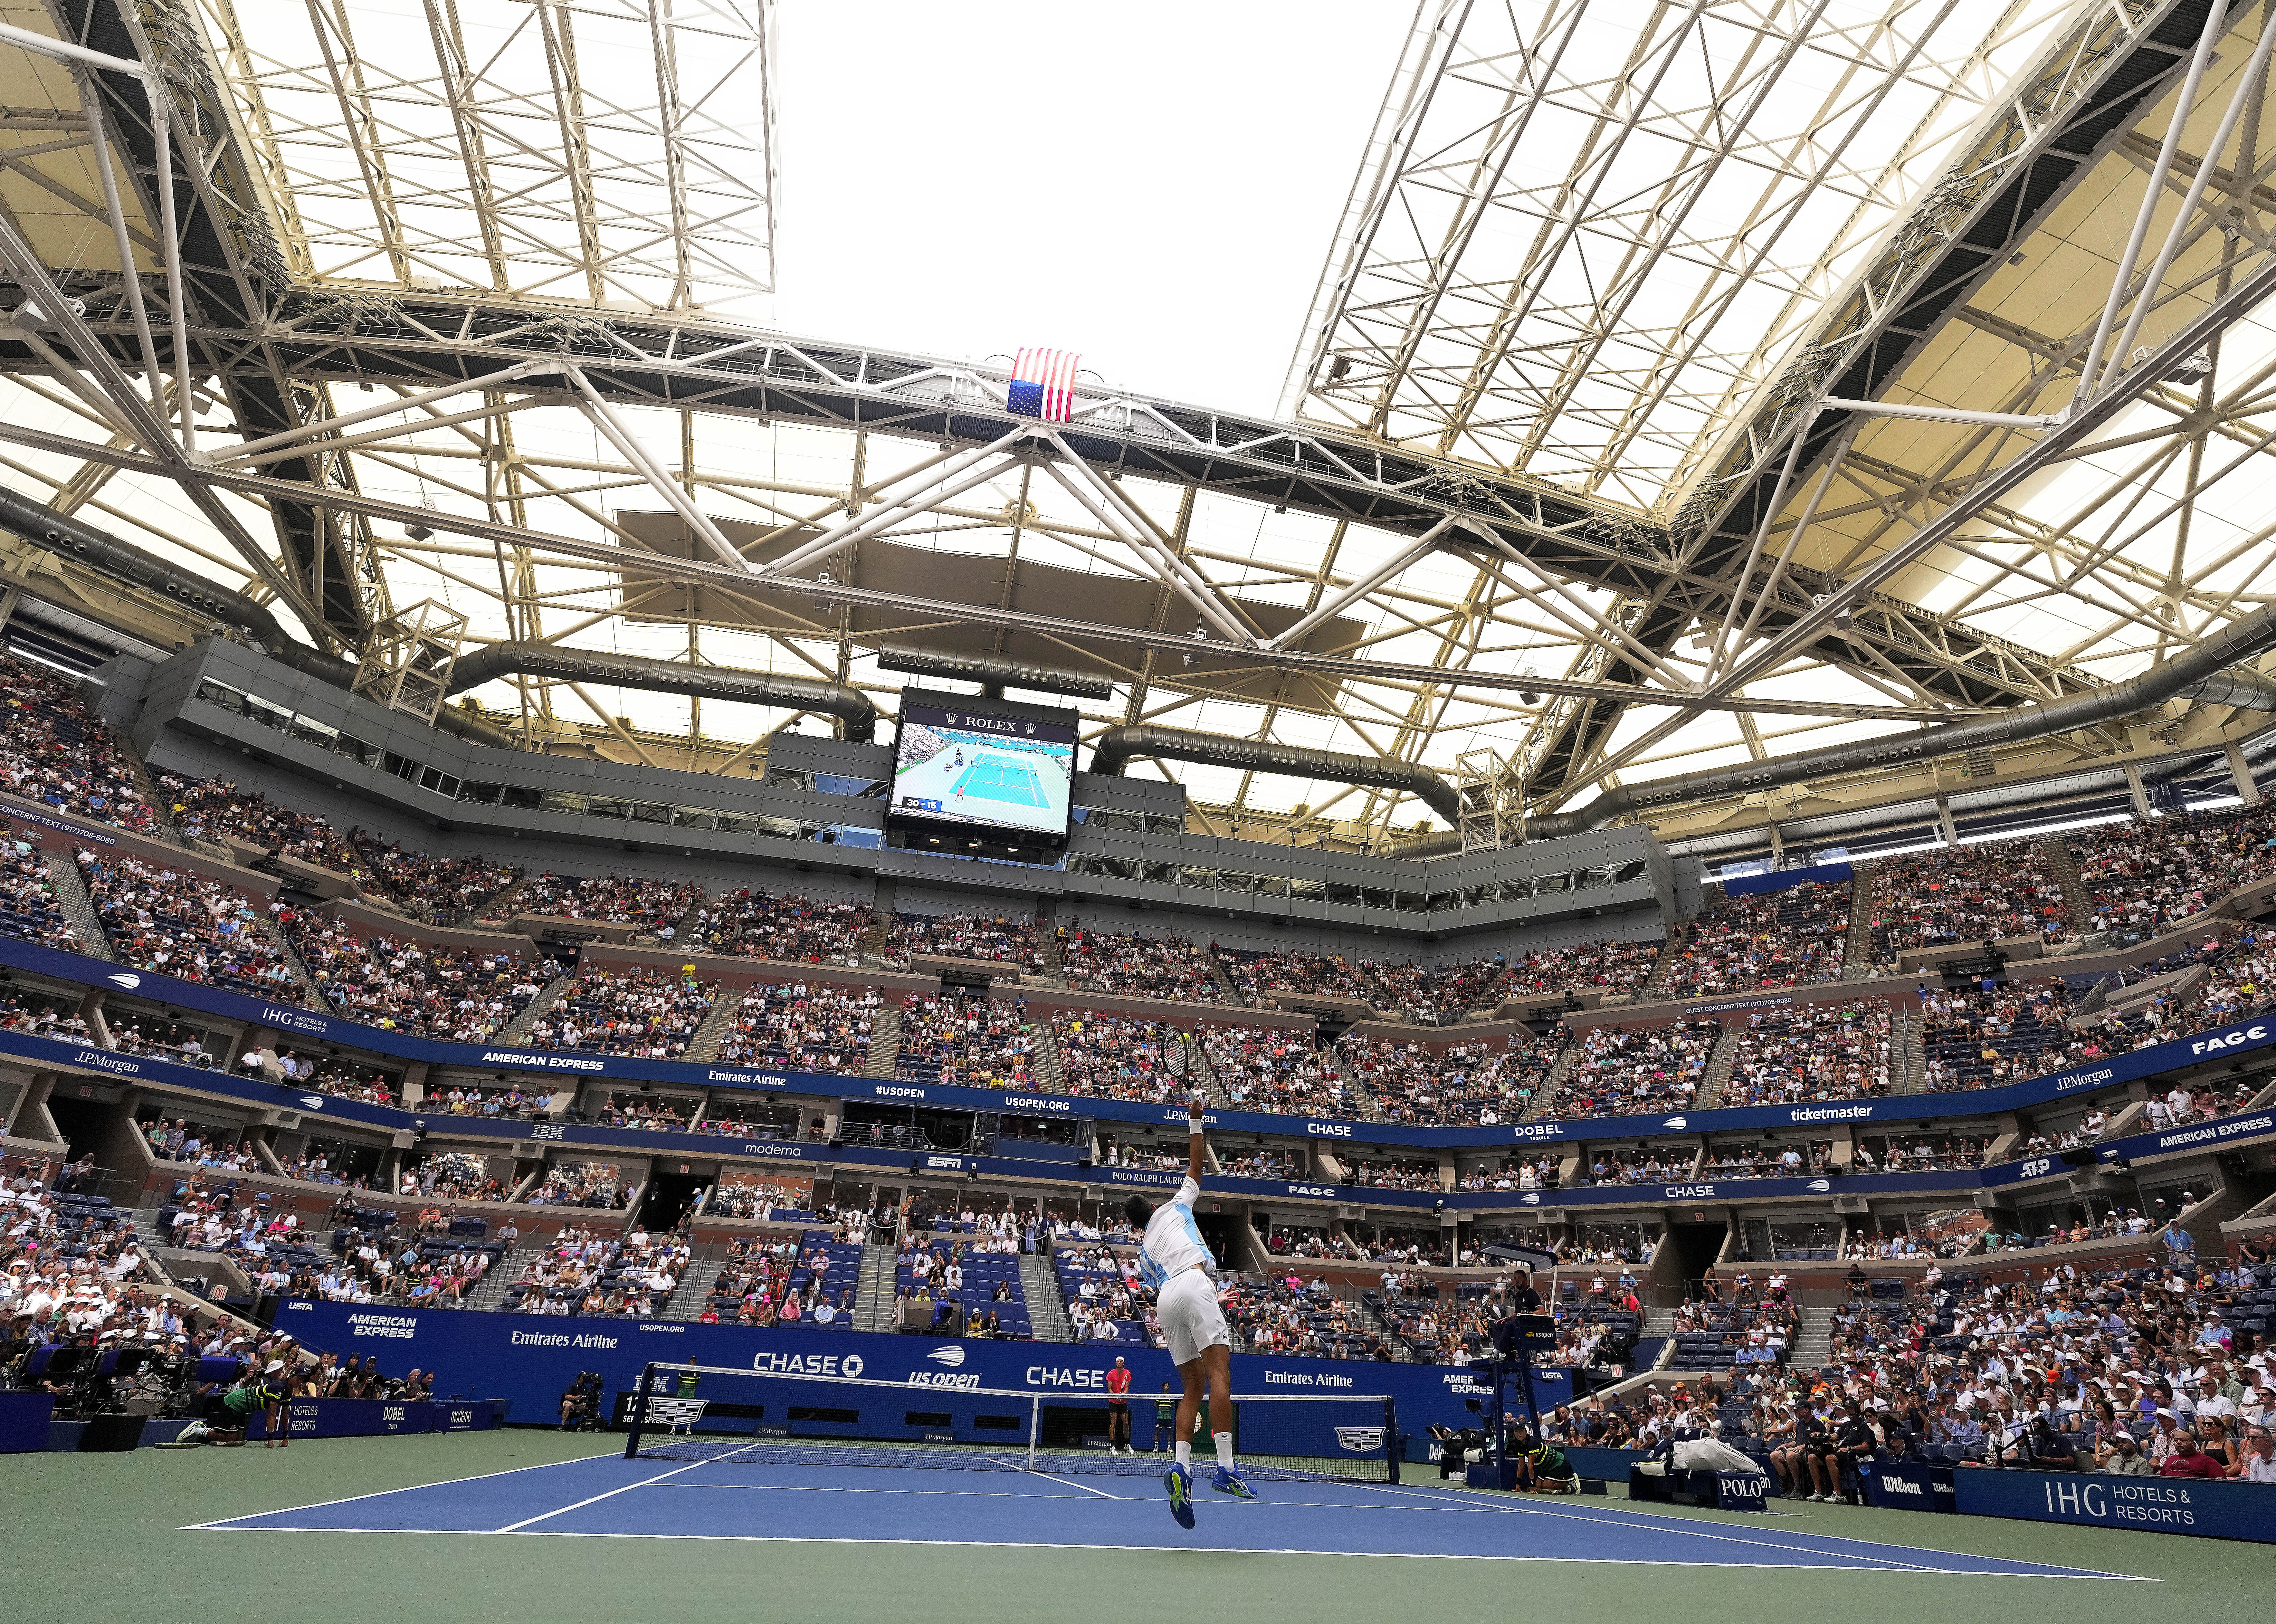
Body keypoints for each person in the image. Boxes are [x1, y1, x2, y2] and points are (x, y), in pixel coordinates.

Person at [1125, 1091, 1254, 1526]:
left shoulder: (1143, 1250)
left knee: (1190, 1387)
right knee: (1220, 1375)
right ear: (1151, 1205)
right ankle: (1226, 1469)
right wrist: (1195, 1120)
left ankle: (1181, 1465)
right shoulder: (1176, 1204)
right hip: (1195, 1282)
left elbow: (1160, 1280)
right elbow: (1197, 1165)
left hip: (1165, 1300)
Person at [1105, 1356, 1133, 1455]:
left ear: (1124, 1363)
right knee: (1114, 1423)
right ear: (1116, 1364)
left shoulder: (1127, 1373)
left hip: (1123, 1402)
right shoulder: (1111, 1374)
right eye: (1118, 1362)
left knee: (1125, 1423)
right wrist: (1117, 1396)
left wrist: (1122, 1396)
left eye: (1122, 1362)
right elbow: (1110, 1389)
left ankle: (1127, 1444)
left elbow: (1127, 1389)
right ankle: (1112, 1446)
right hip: (1113, 1401)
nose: (1120, 1363)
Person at [1153, 1383, 1177, 1454]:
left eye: (1167, 1386)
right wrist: (1161, 1410)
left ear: (1169, 1387)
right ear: (1163, 1388)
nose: (1167, 1387)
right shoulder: (1160, 1396)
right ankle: (1156, 1447)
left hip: (1168, 1417)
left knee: (1170, 1433)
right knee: (1158, 1432)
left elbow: (1172, 1405)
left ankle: (1169, 1448)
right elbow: (1155, 1405)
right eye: (1165, 1386)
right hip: (1160, 1417)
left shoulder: (1171, 1397)